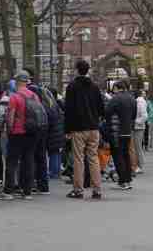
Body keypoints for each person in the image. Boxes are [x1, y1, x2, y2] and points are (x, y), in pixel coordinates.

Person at [63, 59, 105, 200]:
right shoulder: (95, 87)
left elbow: (68, 110)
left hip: (78, 128)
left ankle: (78, 189)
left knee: (78, 159)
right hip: (93, 127)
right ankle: (97, 189)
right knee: (93, 157)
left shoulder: (72, 87)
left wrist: (67, 130)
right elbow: (101, 108)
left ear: (77, 70)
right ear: (88, 70)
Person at [1, 71, 43, 201]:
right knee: (28, 160)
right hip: (32, 132)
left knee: (12, 161)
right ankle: (27, 191)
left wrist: (9, 130)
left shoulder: (14, 97)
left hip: (17, 133)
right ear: (27, 82)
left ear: (17, 82)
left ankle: (8, 191)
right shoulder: (35, 96)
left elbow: (11, 117)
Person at [133, 89, 148, 174]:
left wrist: (136, 121)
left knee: (137, 147)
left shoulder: (140, 102)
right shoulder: (139, 101)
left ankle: (140, 165)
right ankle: (138, 165)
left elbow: (144, 116)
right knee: (137, 147)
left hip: (138, 127)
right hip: (138, 127)